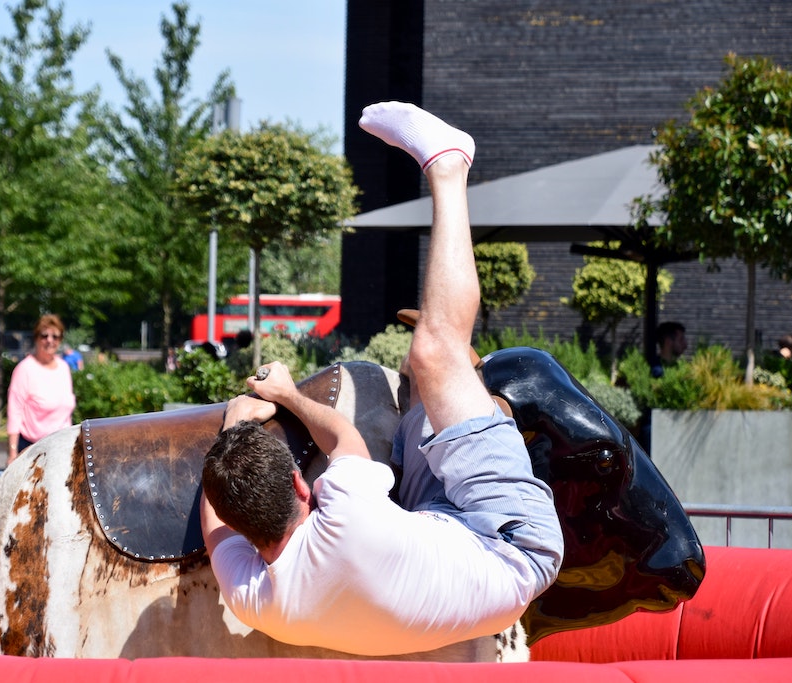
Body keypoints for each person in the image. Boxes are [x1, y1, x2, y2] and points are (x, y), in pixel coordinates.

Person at [200, 102, 563, 657]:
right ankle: (449, 164)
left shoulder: (255, 596)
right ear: (305, 486)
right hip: (515, 546)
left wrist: (228, 439)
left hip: (439, 530)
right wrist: (281, 398)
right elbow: (344, 441)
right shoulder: (341, 509)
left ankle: (455, 395)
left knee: (418, 415)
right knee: (432, 355)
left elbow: (217, 534)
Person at [6, 314, 75, 465]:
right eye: (44, 336)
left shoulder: (63, 367)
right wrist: (12, 453)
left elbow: (66, 413)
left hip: (61, 448)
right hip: (32, 450)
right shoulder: (25, 369)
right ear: (36, 338)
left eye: (55, 336)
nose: (50, 340)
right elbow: (15, 412)